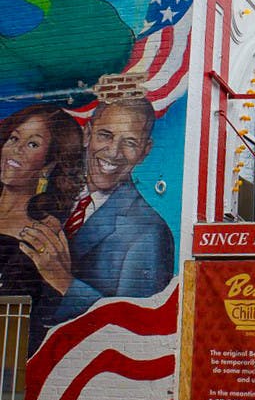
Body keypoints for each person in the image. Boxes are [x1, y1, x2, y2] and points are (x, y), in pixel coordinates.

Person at [32, 96, 174, 324]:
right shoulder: (50, 193)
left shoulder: (149, 232)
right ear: (87, 134)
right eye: (105, 135)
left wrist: (63, 281)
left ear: (145, 151)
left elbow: (135, 324)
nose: (114, 152)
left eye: (130, 142)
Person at [0, 105, 84, 354]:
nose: (15, 148)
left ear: (49, 166)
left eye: (32, 144)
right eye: (14, 138)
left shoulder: (43, 236)